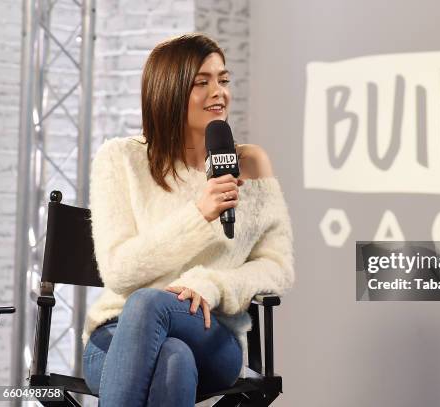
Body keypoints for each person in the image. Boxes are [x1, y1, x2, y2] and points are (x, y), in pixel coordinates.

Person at [81, 33, 294, 407]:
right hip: (115, 336)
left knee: (151, 304)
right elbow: (118, 272)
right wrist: (199, 215)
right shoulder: (120, 159)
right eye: (202, 82)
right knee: (173, 358)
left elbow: (278, 267)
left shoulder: (249, 163)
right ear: (169, 91)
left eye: (223, 80)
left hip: (213, 336)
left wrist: (211, 284)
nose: (219, 92)